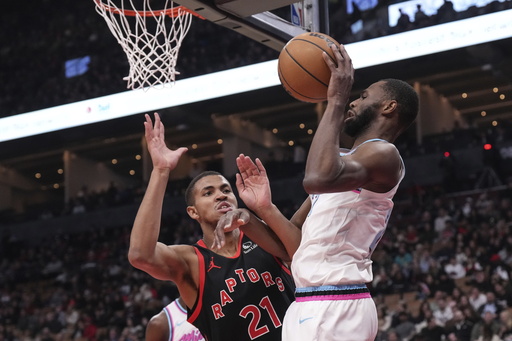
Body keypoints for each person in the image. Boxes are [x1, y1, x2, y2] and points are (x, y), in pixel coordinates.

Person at [215, 44, 419, 340]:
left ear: (389, 107)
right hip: (309, 303)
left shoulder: (384, 155)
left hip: (338, 303)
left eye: (362, 97)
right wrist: (258, 212)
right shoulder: (346, 164)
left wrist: (335, 100)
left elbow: (315, 178)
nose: (352, 102)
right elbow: (290, 248)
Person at [128, 113, 296, 341]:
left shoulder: (264, 235)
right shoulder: (192, 262)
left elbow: (296, 251)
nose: (220, 196)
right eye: (208, 193)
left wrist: (260, 211)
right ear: (193, 212)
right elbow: (140, 255)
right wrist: (160, 171)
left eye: (226, 190)